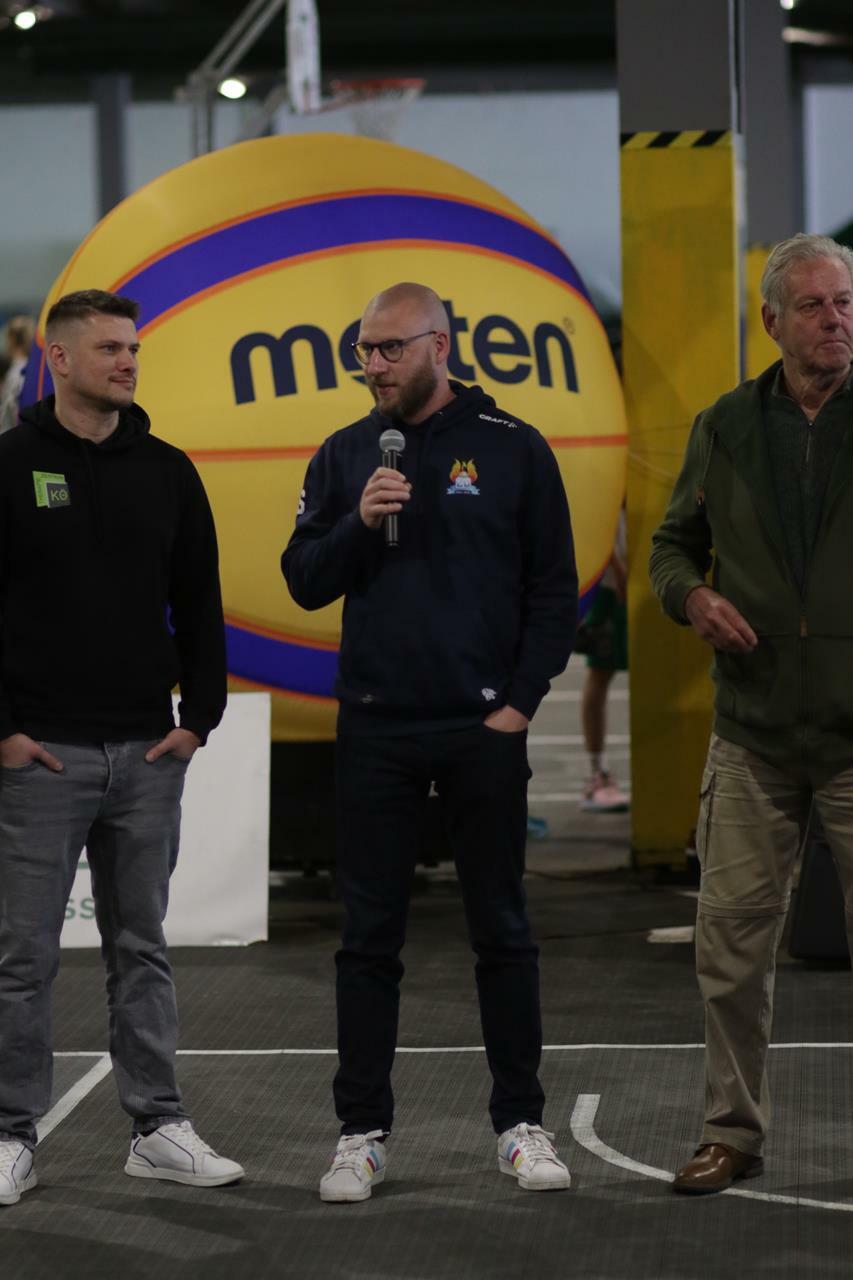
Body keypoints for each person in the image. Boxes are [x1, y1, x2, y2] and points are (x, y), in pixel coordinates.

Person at [282, 282, 577, 1203]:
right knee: (367, 941)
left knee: (502, 931)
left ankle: (519, 1122)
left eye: (389, 348)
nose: (372, 365)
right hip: (376, 727)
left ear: (439, 346)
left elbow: (552, 590)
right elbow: (303, 579)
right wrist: (359, 523)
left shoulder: (514, 447)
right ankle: (360, 1134)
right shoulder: (344, 455)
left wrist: (517, 707)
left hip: (481, 727)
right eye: (362, 350)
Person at [0, 289, 244, 1207]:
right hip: (41, 760)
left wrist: (199, 719)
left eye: (133, 347)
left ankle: (157, 1127)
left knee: (141, 948)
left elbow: (201, 600)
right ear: (58, 359)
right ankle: (9, 1134)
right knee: (21, 959)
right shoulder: (9, 466)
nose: (128, 361)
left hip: (146, 756)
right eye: (108, 348)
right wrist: (5, 732)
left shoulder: (168, 471)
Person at [650, 232, 853, 1195]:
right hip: (753, 734)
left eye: (844, 301)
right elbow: (670, 547)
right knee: (728, 952)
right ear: (770, 321)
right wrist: (691, 596)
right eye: (813, 305)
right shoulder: (725, 425)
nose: (835, 319)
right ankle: (729, 1131)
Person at [579, 506, 629, 812]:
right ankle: (597, 774)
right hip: (611, 588)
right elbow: (598, 517)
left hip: (651, 581)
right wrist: (617, 567)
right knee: (599, 675)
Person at [0, 314, 35, 434]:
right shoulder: (29, 369)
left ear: (11, 340)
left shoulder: (18, 372)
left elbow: (13, 414)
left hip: (15, 436)